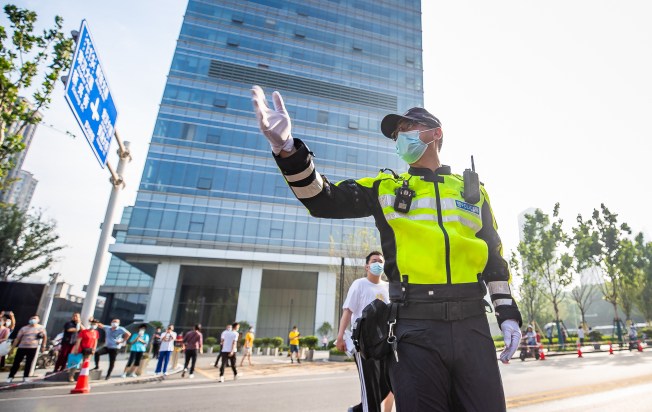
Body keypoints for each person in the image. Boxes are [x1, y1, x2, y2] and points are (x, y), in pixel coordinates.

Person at [251, 86, 523, 411]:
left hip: (472, 324)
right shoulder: (387, 187)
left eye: (405, 129)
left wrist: (508, 315)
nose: (399, 139)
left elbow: (494, 260)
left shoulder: (473, 192)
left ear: (435, 133)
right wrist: (287, 150)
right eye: (396, 136)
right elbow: (323, 199)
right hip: (414, 328)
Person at [336, 251, 393, 412]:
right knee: (370, 387)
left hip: (384, 344)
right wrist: (340, 336)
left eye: (381, 261)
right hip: (364, 344)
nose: (378, 264)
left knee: (388, 384)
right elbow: (347, 311)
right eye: (374, 261)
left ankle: (357, 410)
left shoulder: (388, 287)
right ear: (367, 266)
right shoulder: (359, 284)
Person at [6, 315, 47, 383]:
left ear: (38, 320)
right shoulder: (24, 328)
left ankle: (26, 377)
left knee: (29, 363)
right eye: (32, 318)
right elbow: (17, 338)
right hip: (22, 347)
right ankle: (10, 376)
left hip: (32, 347)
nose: (33, 320)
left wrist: (43, 346)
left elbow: (44, 337)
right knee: (16, 362)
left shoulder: (41, 328)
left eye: (35, 318)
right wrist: (12, 348)